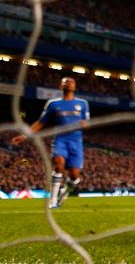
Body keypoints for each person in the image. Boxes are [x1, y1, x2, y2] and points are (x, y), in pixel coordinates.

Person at [11, 76, 90, 208]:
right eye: (65, 82)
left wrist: (84, 124)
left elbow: (87, 123)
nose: (68, 84)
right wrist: (25, 136)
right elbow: (41, 122)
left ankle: (64, 194)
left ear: (75, 87)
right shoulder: (53, 104)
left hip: (76, 142)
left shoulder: (82, 103)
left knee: (75, 175)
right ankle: (53, 200)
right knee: (59, 165)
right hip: (61, 140)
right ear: (61, 86)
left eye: (71, 82)